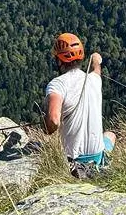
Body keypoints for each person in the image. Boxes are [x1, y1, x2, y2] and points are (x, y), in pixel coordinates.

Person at [43, 32, 116, 169]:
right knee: (110, 135)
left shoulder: (57, 85)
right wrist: (95, 59)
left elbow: (53, 121)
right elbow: (96, 69)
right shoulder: (95, 80)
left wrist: (45, 126)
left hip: (73, 162)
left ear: (59, 61)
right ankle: (102, 165)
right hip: (97, 157)